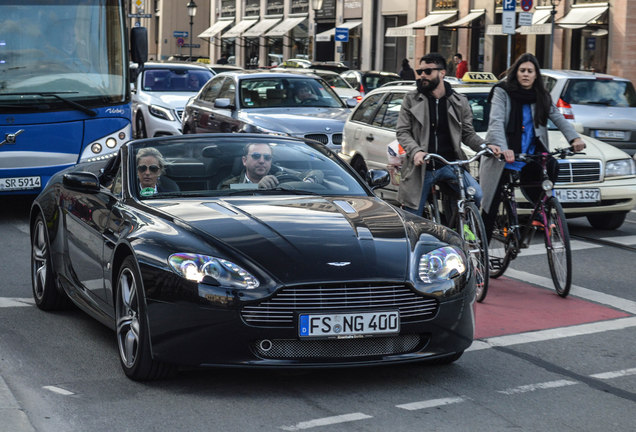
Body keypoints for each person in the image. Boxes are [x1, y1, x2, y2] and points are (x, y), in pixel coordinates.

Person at [480, 53, 586, 240]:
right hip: (502, 157)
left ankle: (540, 210)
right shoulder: (502, 91)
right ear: (516, 72)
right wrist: (504, 148)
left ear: (536, 74)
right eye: (522, 71)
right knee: (491, 206)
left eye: (530, 71)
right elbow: (495, 122)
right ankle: (481, 254)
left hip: (529, 154)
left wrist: (574, 139)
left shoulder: (541, 95)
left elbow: (558, 117)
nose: (526, 74)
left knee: (552, 165)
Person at [396, 52, 499, 216]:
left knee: (476, 195)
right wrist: (416, 151)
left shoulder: (459, 101)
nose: (422, 75)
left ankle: (462, 230)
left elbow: (468, 134)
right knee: (412, 217)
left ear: (442, 73)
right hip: (422, 168)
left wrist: (485, 146)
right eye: (420, 71)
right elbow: (402, 132)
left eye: (428, 71)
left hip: (451, 165)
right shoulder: (411, 99)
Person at [219, 143, 323, 189]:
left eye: (267, 158)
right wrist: (257, 186)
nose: (262, 161)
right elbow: (228, 190)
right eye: (256, 156)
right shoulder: (230, 184)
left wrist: (308, 182)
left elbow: (317, 172)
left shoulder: (280, 176)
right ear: (244, 161)